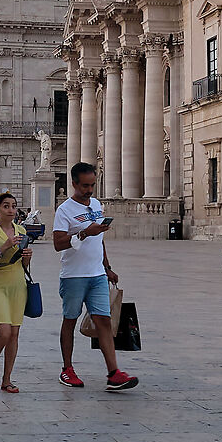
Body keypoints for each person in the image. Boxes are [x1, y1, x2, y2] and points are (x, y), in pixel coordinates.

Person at [52, 161, 136, 391]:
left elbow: (100, 239)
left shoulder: (97, 204)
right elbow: (58, 244)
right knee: (70, 319)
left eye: (92, 185)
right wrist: (83, 233)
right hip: (73, 276)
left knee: (104, 321)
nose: (89, 190)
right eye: (85, 186)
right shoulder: (64, 210)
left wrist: (107, 266)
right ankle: (67, 369)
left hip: (97, 274)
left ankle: (113, 372)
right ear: (74, 184)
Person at [0, 191, 33, 392]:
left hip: (18, 285)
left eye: (13, 206)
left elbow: (24, 264)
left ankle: (7, 378)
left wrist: (27, 255)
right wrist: (3, 247)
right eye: (6, 206)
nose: (11, 210)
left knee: (14, 334)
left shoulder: (21, 231)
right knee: (4, 332)